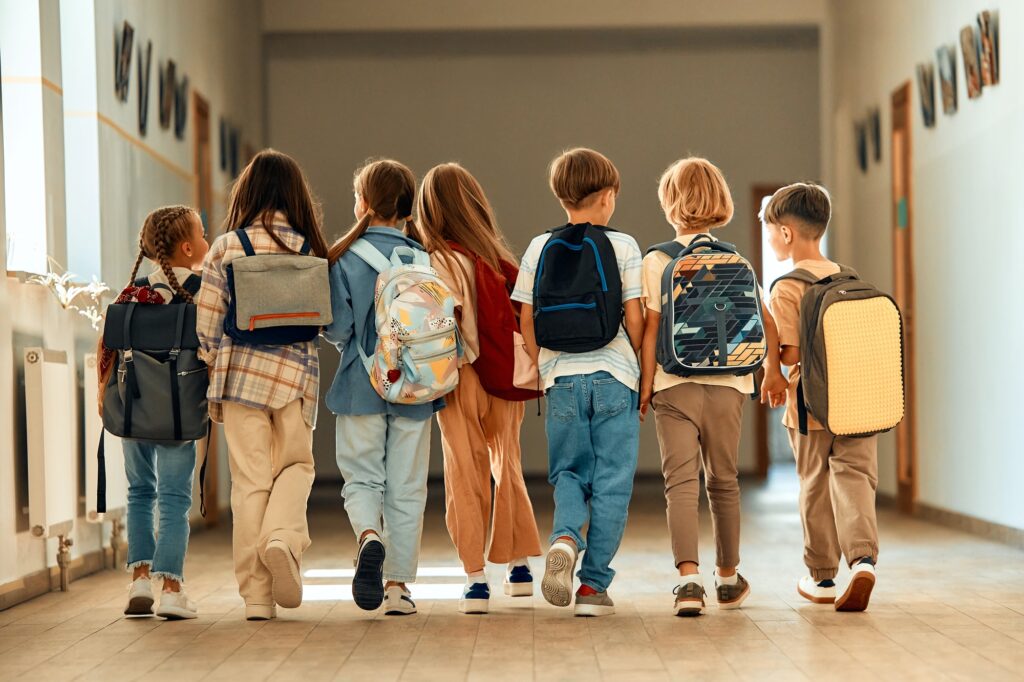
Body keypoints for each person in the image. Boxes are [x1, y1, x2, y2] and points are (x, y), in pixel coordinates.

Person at [640, 157, 787, 616]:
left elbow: (650, 330)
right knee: (724, 481)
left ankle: (688, 582)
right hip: (729, 384)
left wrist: (645, 387)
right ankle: (727, 578)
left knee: (679, 483)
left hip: (673, 382)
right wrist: (772, 372)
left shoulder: (657, 259)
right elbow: (767, 323)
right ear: (720, 203)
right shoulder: (736, 260)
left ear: (670, 204)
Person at [195, 149, 330, 621]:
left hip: (239, 379)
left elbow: (208, 324)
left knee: (250, 483)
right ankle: (282, 539)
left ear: (247, 192)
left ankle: (256, 597)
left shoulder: (227, 247)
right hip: (295, 379)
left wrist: (213, 360)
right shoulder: (308, 248)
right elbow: (323, 320)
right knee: (296, 466)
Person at [514, 148, 643, 617]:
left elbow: (525, 320)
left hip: (561, 382)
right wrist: (640, 375)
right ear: (607, 197)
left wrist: (545, 367)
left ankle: (565, 537)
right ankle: (592, 589)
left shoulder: (538, 246)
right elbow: (635, 319)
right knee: (611, 482)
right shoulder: (624, 245)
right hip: (614, 377)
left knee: (569, 473)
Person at [416, 162, 542, 614]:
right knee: (507, 463)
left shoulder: (435, 260)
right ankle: (521, 567)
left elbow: (437, 324)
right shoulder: (496, 256)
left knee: (463, 473)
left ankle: (475, 580)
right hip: (504, 374)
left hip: (457, 377)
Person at [324, 159, 443, 616]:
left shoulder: (347, 257)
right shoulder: (425, 259)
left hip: (361, 384)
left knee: (362, 478)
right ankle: (397, 587)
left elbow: (337, 330)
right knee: (408, 487)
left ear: (364, 203)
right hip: (416, 388)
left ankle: (368, 537)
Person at [763, 182, 879, 612]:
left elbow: (792, 352)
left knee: (815, 483)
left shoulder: (787, 286)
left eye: (772, 231)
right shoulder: (848, 277)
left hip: (811, 405)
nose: (771, 239)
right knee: (856, 479)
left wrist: (771, 354)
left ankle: (823, 577)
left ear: (787, 233)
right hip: (862, 400)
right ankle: (863, 560)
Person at [108, 205, 208, 620]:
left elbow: (108, 354)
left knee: (139, 494)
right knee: (172, 498)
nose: (207, 239)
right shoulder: (201, 293)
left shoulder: (130, 295)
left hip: (133, 413)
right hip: (178, 417)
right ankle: (172, 589)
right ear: (187, 248)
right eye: (203, 234)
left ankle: (139, 581)